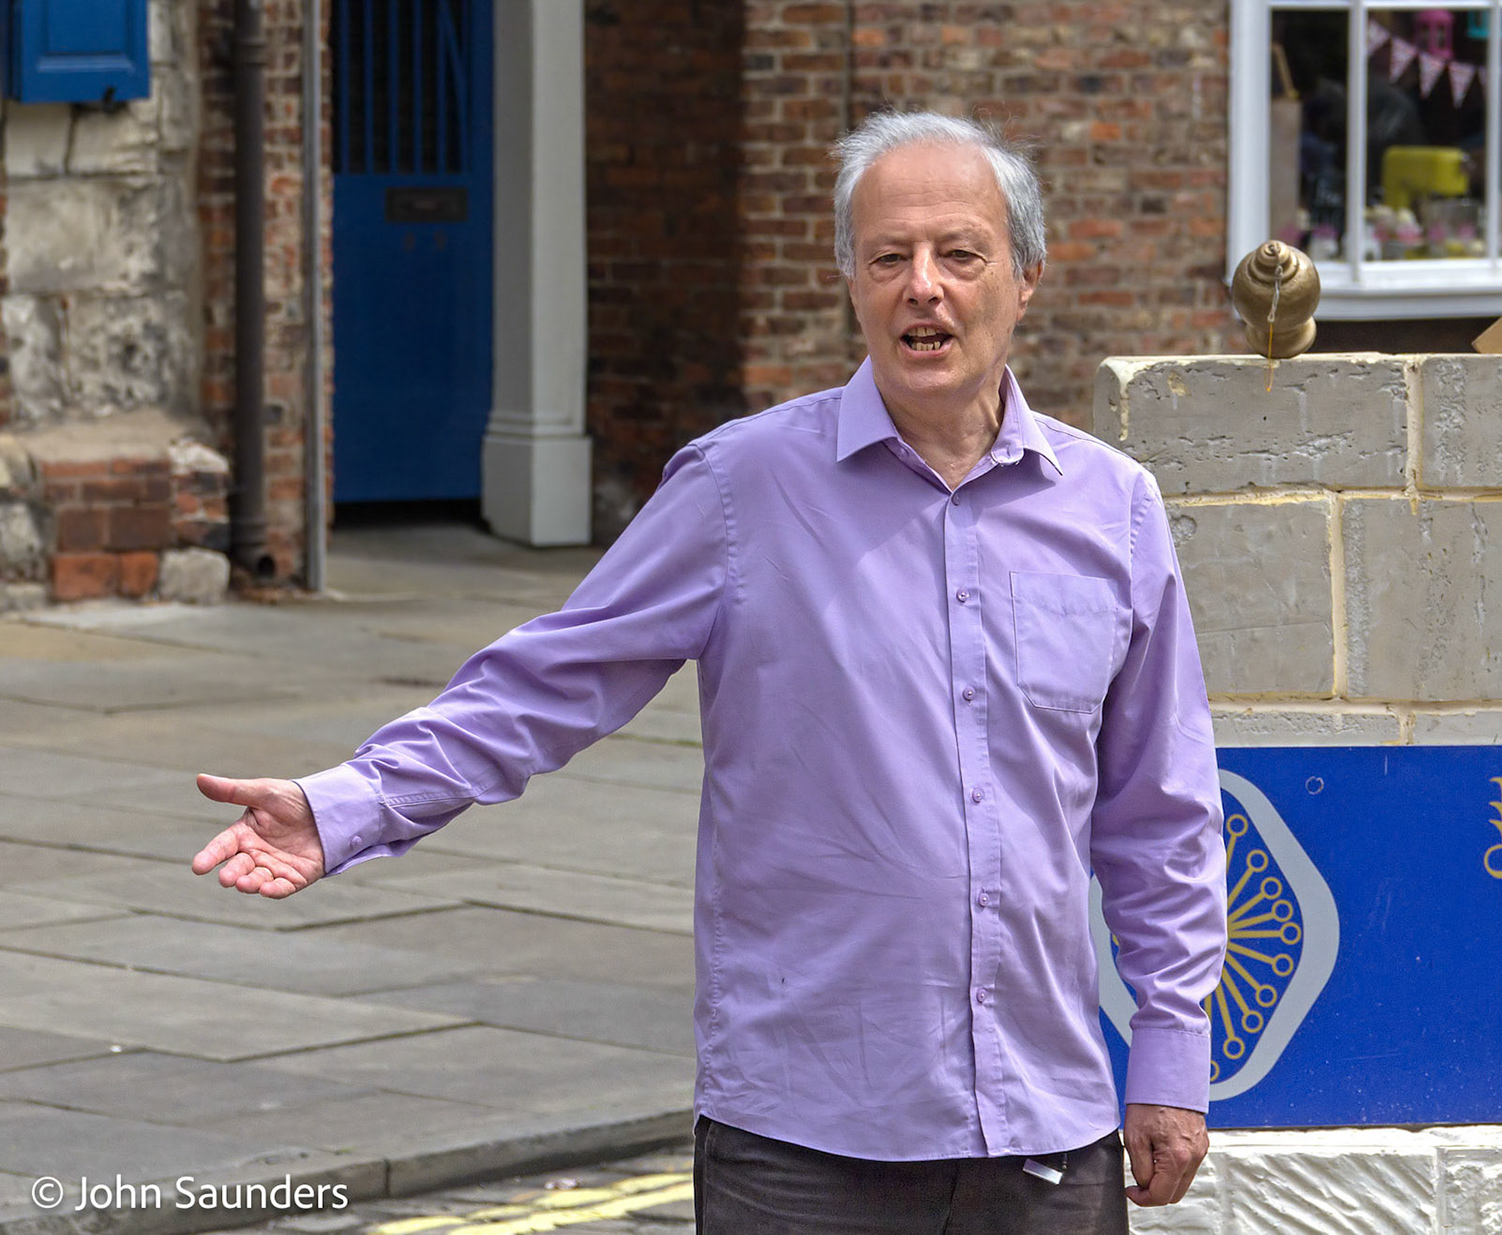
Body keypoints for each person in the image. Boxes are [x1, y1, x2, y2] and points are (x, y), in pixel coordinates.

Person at [191, 111, 1227, 1234]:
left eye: (958, 254)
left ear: (1025, 277)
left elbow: (1160, 815)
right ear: (850, 282)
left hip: (1041, 1129)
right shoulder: (742, 487)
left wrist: (1170, 1050)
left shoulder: (1113, 507)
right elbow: (550, 679)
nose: (922, 287)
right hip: (804, 1140)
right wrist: (347, 803)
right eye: (889, 258)